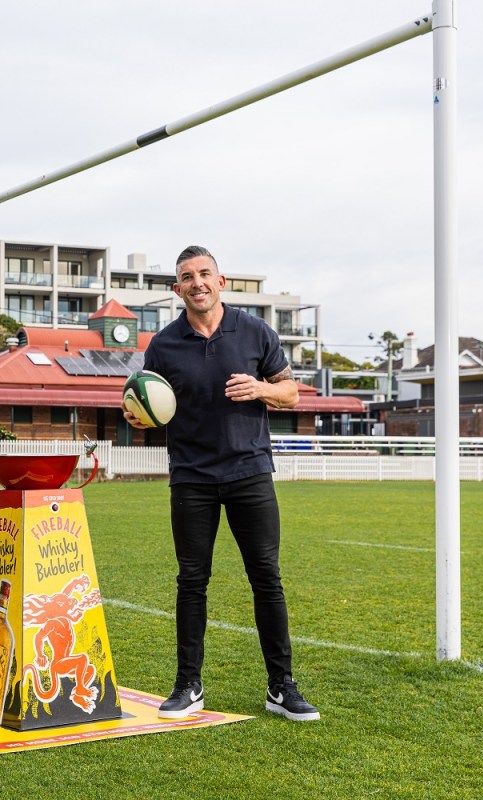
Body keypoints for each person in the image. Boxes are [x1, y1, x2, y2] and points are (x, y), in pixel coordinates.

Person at [122, 245, 319, 722]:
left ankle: (281, 686)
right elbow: (143, 404)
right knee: (192, 581)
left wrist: (263, 389)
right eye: (187, 277)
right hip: (191, 477)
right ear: (177, 289)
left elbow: (292, 392)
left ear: (221, 280)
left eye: (204, 274)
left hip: (250, 472)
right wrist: (139, 418)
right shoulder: (163, 346)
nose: (197, 283)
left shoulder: (255, 331)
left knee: (266, 579)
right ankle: (188, 685)